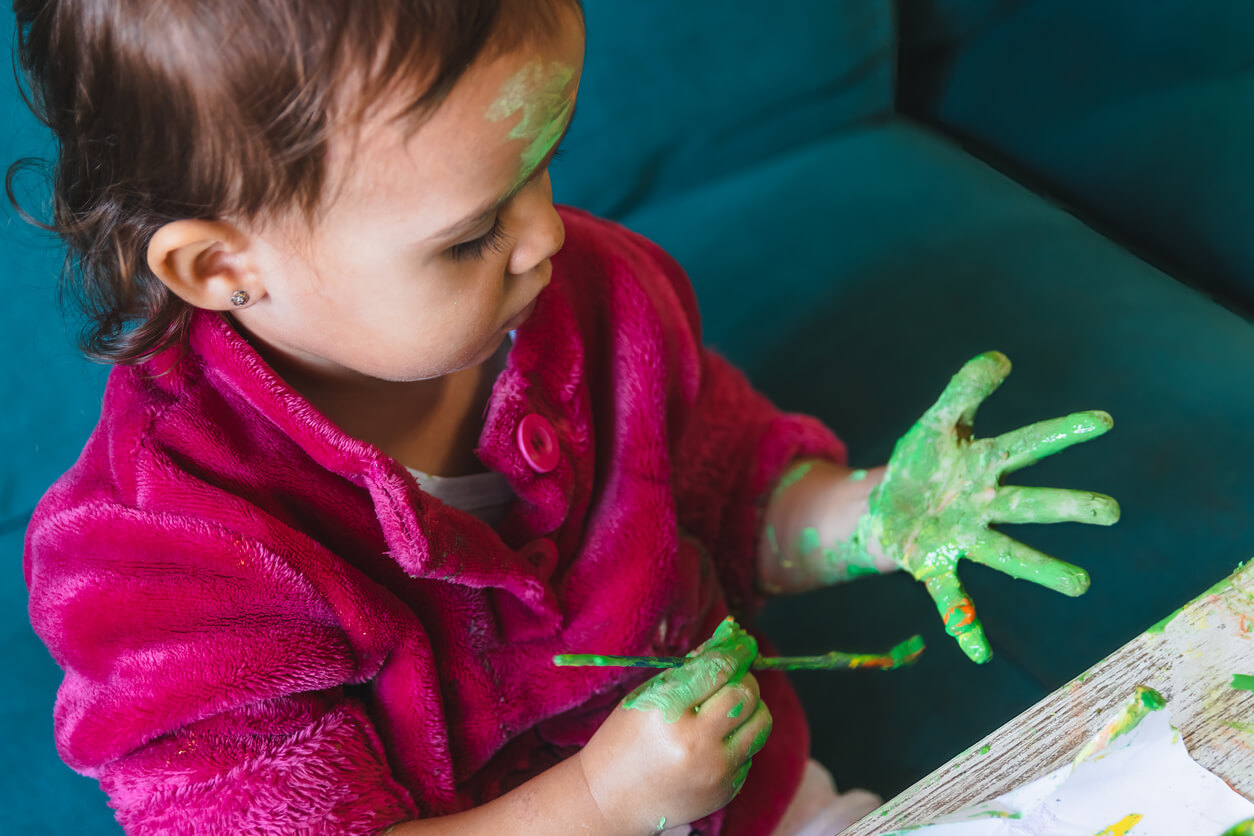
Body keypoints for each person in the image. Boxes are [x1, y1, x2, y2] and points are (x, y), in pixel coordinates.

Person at [13, 1, 1119, 833]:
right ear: (222, 265)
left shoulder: (599, 298)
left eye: (544, 164)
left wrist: (869, 516)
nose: (545, 234)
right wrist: (602, 795)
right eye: (469, 234)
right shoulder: (164, 558)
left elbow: (728, 491)